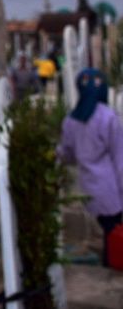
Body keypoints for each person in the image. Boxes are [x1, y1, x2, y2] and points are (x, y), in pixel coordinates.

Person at [58, 68, 123, 268]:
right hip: (110, 189)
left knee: (106, 236)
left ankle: (106, 268)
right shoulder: (109, 117)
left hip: (87, 188)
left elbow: (66, 154)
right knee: (113, 239)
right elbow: (119, 158)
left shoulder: (70, 120)